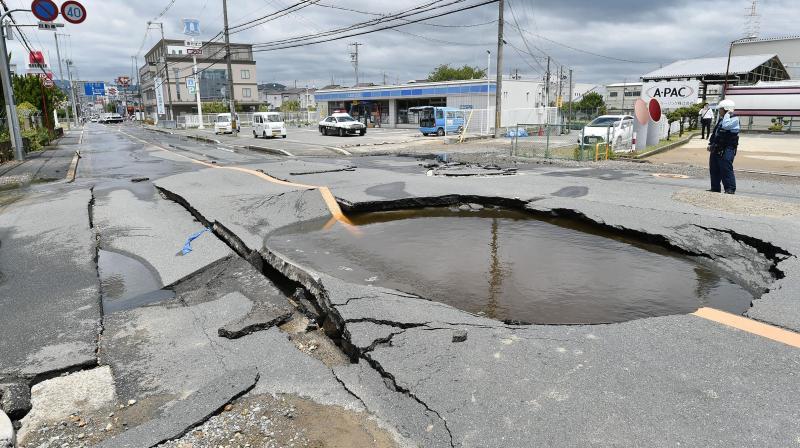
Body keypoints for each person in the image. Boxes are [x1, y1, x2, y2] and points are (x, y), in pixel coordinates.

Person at [707, 99, 740, 194]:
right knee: (714, 167)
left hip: (728, 148)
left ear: (726, 109)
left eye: (720, 109)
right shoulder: (722, 119)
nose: (719, 111)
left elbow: (726, 126)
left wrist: (727, 114)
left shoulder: (734, 119)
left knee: (726, 168)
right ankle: (715, 187)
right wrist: (711, 144)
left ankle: (730, 189)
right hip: (717, 146)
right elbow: (715, 133)